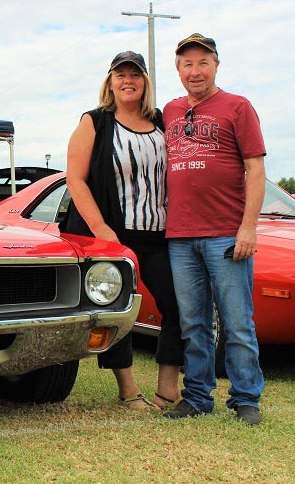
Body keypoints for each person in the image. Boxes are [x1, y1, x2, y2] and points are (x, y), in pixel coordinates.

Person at [61, 51, 184, 410]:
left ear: (145, 82)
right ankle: (128, 390)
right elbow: (76, 179)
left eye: (135, 74)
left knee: (177, 306)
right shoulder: (95, 122)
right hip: (114, 235)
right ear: (110, 82)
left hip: (159, 233)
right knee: (120, 308)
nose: (128, 80)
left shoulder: (163, 122)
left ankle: (167, 388)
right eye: (120, 74)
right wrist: (100, 228)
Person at [161, 33, 266, 426]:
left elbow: (255, 169)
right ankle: (197, 396)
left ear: (216, 65)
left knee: (237, 321)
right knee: (194, 323)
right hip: (180, 236)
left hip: (226, 233)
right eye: (187, 64)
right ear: (178, 70)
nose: (195, 71)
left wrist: (248, 228)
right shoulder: (169, 111)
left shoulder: (237, 107)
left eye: (202, 62)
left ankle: (245, 398)